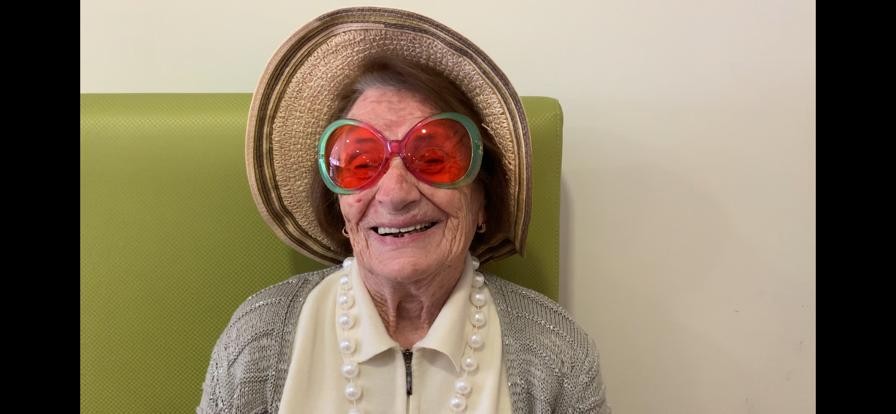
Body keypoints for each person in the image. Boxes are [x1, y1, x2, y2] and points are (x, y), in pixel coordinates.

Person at [198, 7, 611, 413]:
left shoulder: (556, 354)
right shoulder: (259, 338)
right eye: (361, 163)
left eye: (433, 158)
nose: (395, 194)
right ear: (341, 211)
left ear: (483, 200)